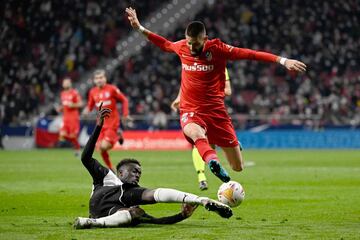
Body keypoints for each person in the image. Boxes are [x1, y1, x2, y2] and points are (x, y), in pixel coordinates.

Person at [126, 7, 307, 183]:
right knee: (195, 133)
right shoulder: (182, 47)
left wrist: (283, 60)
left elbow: (250, 54)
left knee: (238, 167)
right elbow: (164, 43)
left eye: (195, 43)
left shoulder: (218, 49)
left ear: (205, 38)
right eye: (188, 42)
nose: (191, 46)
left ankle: (228, 147)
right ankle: (212, 161)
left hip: (216, 113)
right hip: (191, 110)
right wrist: (139, 28)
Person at [73, 105, 232, 229]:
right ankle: (199, 199)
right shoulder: (108, 177)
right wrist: (99, 127)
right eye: (134, 171)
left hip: (110, 213)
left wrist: (182, 215)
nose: (137, 175)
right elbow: (85, 157)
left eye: (139, 173)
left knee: (137, 211)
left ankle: (200, 200)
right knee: (138, 204)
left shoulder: (131, 195)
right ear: (120, 172)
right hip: (98, 204)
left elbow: (155, 221)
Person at [171, 68, 232, 190]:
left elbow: (228, 90)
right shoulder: (193, 65)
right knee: (198, 141)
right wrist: (179, 98)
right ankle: (202, 178)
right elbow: (185, 84)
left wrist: (208, 93)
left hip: (213, 111)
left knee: (210, 145)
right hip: (196, 110)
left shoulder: (220, 67)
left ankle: (230, 144)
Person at [83, 69, 130, 170]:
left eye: (101, 78)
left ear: (105, 78)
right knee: (100, 149)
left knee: (104, 147)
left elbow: (124, 100)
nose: (99, 80)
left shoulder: (112, 89)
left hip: (112, 123)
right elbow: (90, 105)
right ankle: (111, 168)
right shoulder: (92, 92)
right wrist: (86, 111)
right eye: (97, 78)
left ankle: (118, 135)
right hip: (100, 125)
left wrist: (125, 114)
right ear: (94, 80)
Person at [57, 77, 83, 156]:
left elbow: (80, 104)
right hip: (65, 118)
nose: (65, 84)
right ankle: (77, 147)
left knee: (73, 136)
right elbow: (64, 105)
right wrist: (61, 108)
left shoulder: (74, 93)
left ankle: (78, 149)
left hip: (73, 118)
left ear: (70, 83)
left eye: (67, 82)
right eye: (64, 83)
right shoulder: (62, 93)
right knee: (62, 135)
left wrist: (73, 105)